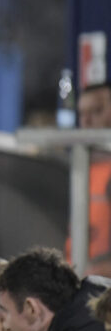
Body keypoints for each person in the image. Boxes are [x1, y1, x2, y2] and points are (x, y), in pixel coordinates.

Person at [68, 83, 111, 277]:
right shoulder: (80, 170)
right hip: (77, 282)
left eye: (96, 111)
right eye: (82, 113)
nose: (86, 121)